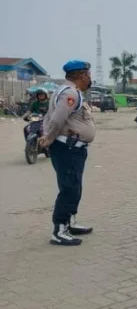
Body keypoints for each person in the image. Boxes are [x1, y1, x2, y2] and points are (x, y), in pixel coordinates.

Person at [40, 60, 95, 246]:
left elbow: (50, 117)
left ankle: (70, 222)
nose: (90, 78)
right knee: (69, 188)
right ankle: (59, 230)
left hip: (73, 149)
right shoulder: (70, 94)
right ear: (82, 76)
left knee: (74, 187)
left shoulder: (66, 91)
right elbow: (56, 119)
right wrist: (48, 138)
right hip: (68, 148)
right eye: (89, 74)